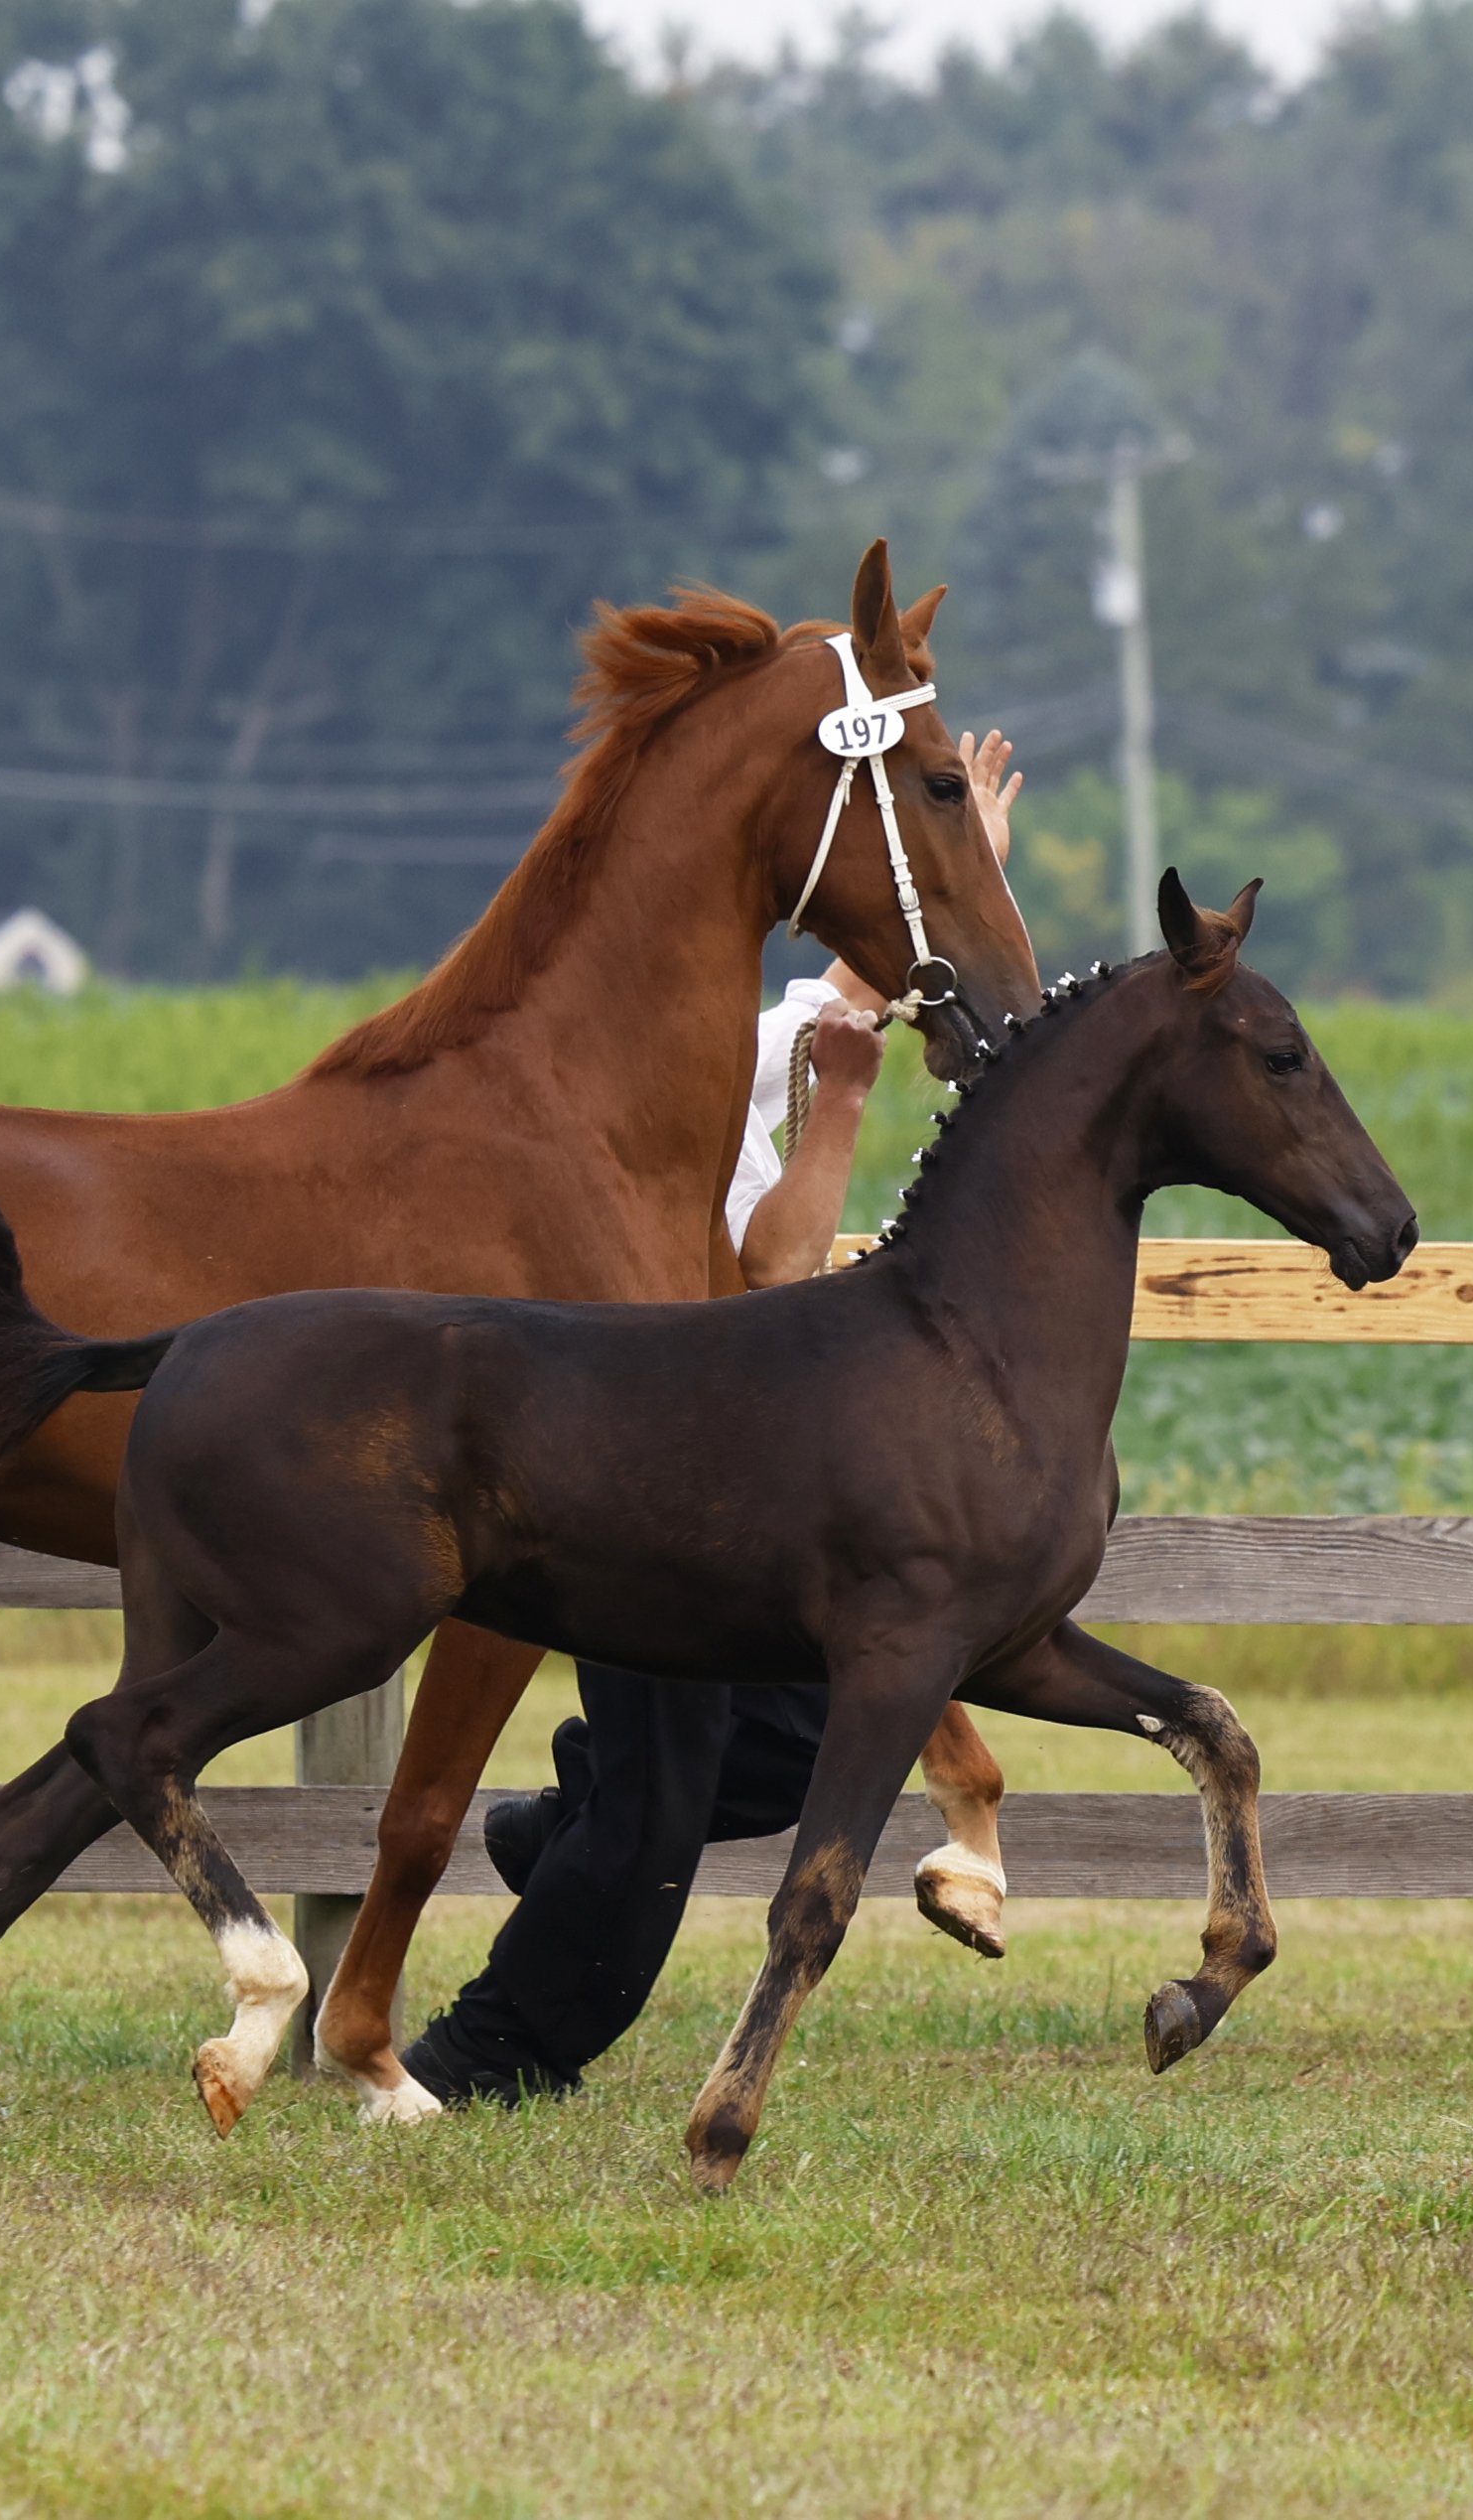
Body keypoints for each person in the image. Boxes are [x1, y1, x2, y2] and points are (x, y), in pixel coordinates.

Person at [398, 731, 1024, 2106]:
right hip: (647, 1481)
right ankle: (479, 2056)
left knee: (798, 1740)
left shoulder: (784, 1045)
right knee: (656, 1819)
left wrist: (960, 855)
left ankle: (549, 1820)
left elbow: (842, 1019)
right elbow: (771, 1270)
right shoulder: (719, 1073)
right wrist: (844, 1124)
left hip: (728, 1487)